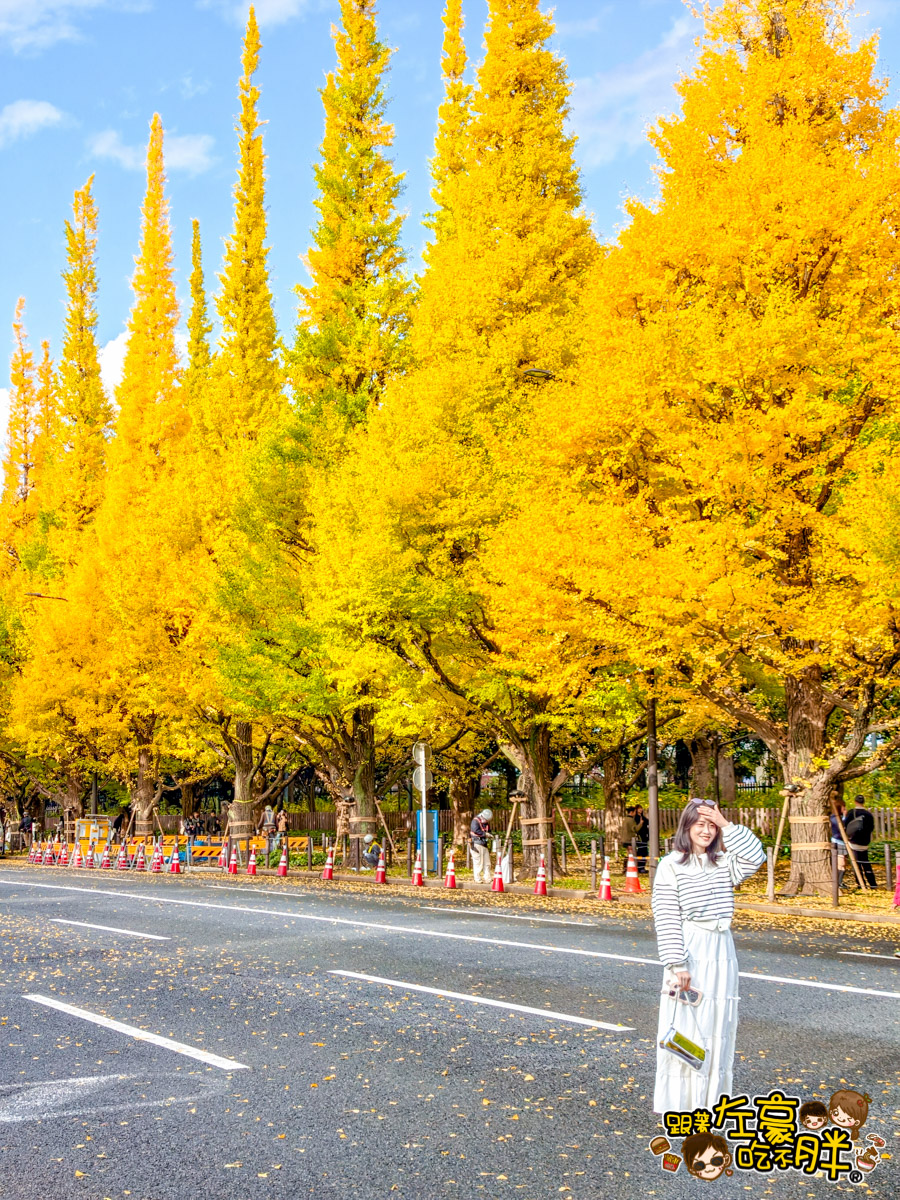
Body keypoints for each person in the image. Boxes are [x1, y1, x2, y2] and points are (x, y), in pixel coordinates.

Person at [651, 797, 766, 1114]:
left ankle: (712, 1100)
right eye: (700, 824)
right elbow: (667, 916)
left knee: (718, 1023)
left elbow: (757, 857)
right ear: (686, 827)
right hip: (691, 947)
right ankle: (679, 1102)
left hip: (722, 948)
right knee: (688, 1023)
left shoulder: (724, 864)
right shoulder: (671, 865)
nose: (706, 830)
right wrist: (677, 964)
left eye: (711, 825)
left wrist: (727, 824)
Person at [843, 796, 877, 889]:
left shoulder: (851, 813)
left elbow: (846, 826)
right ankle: (873, 883)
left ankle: (861, 884)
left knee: (857, 865)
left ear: (855, 801)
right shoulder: (869, 814)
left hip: (853, 841)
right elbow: (871, 828)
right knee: (866, 864)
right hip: (865, 842)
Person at [470, 808, 492, 883]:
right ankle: (477, 878)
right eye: (486, 820)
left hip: (484, 844)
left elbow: (489, 831)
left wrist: (490, 834)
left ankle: (487, 878)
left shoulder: (485, 823)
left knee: (487, 863)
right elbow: (476, 830)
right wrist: (485, 834)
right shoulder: (475, 821)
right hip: (476, 844)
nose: (486, 821)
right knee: (478, 862)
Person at [830, 798, 847, 888]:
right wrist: (844, 817)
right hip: (837, 841)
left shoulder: (838, 818)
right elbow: (841, 827)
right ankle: (838, 882)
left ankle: (840, 881)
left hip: (841, 842)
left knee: (842, 863)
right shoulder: (834, 818)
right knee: (840, 863)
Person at [633, 804, 650, 874]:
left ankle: (642, 866)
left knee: (645, 852)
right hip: (639, 837)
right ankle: (640, 867)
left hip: (645, 836)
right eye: (639, 808)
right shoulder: (636, 818)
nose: (640, 810)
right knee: (641, 851)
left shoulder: (643, 817)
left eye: (641, 808)